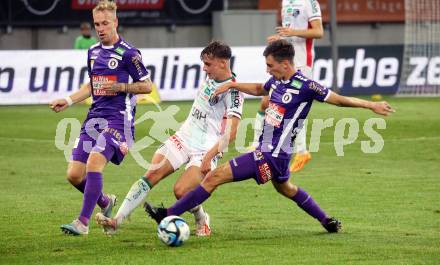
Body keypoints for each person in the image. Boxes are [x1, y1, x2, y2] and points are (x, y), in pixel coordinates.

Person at [144, 40, 395, 234]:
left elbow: (339, 100)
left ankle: (167, 214)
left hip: (270, 154)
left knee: (213, 176)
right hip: (277, 156)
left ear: (285, 64)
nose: (268, 70)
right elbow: (257, 88)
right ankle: (326, 220)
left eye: (270, 65)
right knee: (287, 189)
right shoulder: (276, 82)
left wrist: (370, 106)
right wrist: (233, 84)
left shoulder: (306, 86)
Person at [95, 41, 243, 237]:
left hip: (205, 149)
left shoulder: (233, 92)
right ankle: (116, 221)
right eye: (204, 64)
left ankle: (201, 218)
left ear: (223, 63)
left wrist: (210, 156)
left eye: (208, 64)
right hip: (183, 138)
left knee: (181, 192)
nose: (204, 69)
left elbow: (232, 133)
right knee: (150, 176)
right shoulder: (211, 78)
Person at [50, 0, 153, 235]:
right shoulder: (93, 51)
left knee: (94, 162)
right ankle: (106, 203)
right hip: (93, 118)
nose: (100, 28)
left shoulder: (129, 54)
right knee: (74, 175)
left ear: (115, 22)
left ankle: (82, 223)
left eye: (105, 23)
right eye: (97, 24)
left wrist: (120, 87)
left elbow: (147, 86)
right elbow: (92, 85)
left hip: (119, 120)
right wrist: (67, 101)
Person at [251, 0, 324, 173]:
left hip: (301, 64)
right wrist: (281, 39)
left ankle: (301, 151)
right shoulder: (285, 2)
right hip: (285, 63)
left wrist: (293, 32)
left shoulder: (310, 3)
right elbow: (289, 34)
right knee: (265, 102)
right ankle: (258, 146)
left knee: (295, 106)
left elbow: (318, 32)